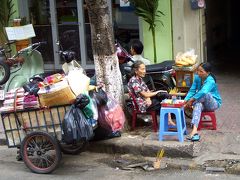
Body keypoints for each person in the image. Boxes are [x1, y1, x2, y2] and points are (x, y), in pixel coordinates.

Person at [127, 60, 175, 125]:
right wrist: (157, 92)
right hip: (142, 104)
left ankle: (169, 119)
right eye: (142, 69)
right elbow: (145, 94)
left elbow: (147, 91)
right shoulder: (134, 81)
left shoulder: (140, 79)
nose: (144, 71)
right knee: (163, 103)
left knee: (165, 95)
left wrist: (149, 98)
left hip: (146, 99)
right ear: (136, 71)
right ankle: (167, 120)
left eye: (145, 69)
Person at [184, 62, 222, 141]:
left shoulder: (211, 80)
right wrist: (185, 100)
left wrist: (191, 100)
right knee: (198, 104)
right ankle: (194, 130)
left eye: (201, 71)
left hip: (213, 104)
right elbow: (192, 90)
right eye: (198, 71)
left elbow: (204, 91)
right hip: (201, 102)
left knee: (205, 94)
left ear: (208, 73)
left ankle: (187, 106)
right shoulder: (197, 77)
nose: (199, 73)